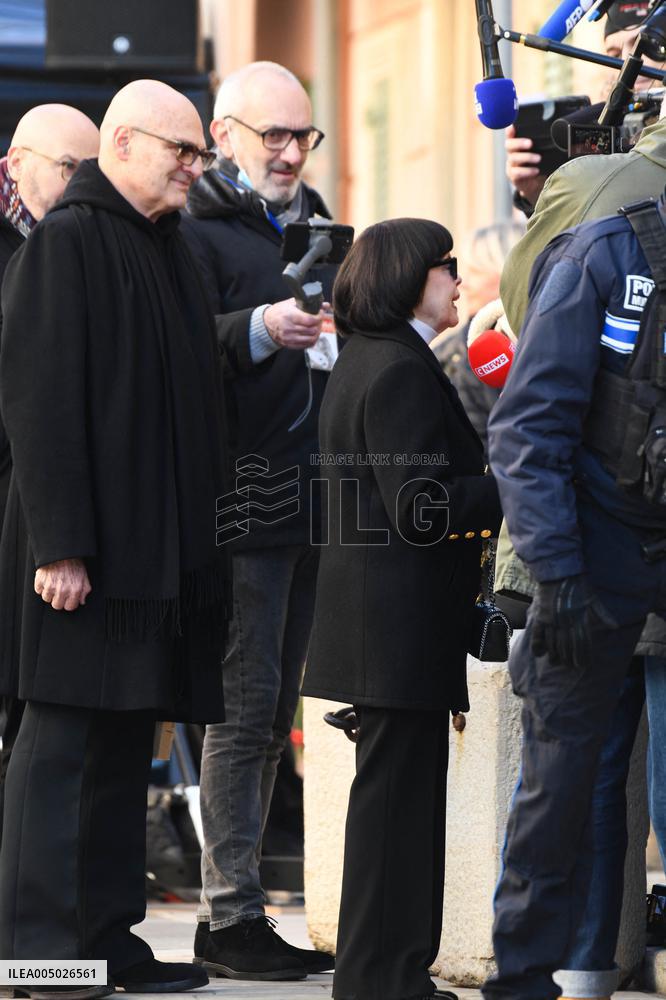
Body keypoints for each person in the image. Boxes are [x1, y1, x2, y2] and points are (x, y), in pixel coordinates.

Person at [0, 79, 243, 996]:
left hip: (154, 559)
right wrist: (59, 546)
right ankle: (35, 954)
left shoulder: (171, 250)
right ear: (125, 144)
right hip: (82, 556)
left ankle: (105, 939)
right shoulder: (67, 243)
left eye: (198, 155)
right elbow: (39, 400)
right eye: (182, 151)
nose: (194, 168)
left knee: (118, 754)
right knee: (57, 753)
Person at [301, 218, 502, 1000]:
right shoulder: (396, 372)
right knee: (395, 817)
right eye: (446, 267)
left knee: (396, 812)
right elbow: (421, 507)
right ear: (411, 277)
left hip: (385, 627)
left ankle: (380, 975)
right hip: (395, 629)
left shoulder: (373, 361)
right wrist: (510, 480)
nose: (456, 281)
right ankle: (384, 980)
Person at [482, 188, 666, 1000]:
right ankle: (523, 978)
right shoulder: (607, 252)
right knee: (560, 781)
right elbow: (529, 428)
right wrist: (555, 575)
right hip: (592, 551)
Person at [180, 61, 335, 980]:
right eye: (271, 134)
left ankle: (242, 910)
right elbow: (175, 349)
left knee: (275, 712)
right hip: (242, 502)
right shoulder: (193, 231)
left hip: (311, 500)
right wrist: (255, 329)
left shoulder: (310, 225)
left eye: (301, 135)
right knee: (241, 714)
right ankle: (227, 913)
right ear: (223, 133)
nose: (287, 152)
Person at [0, 103, 100, 823]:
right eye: (69, 168)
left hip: (37, 501)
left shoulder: (82, 241)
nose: (79, 185)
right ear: (16, 163)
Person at [505, 0, 653, 218]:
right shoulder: (596, 134)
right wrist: (539, 194)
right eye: (613, 54)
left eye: (644, 48)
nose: (626, 62)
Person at [435, 220, 524, 455]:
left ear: (513, 272)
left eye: (478, 271)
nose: (465, 284)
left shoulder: (537, 341)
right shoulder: (455, 354)